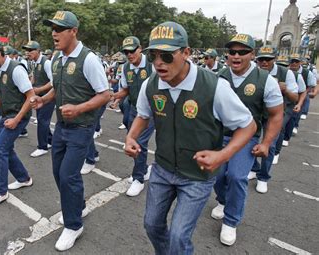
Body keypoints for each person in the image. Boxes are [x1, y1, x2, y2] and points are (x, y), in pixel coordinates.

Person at [126, 22, 256, 254]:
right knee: (152, 225)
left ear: (186, 53)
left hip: (197, 176)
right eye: (153, 55)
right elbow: (143, 116)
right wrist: (131, 137)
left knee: (178, 236)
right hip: (163, 169)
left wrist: (222, 155)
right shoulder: (151, 84)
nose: (158, 63)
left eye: (166, 55)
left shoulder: (214, 87)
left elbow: (248, 126)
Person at [30, 10, 110, 251]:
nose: (54, 33)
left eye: (60, 28)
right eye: (52, 28)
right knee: (58, 173)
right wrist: (43, 100)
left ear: (73, 31)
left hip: (81, 127)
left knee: (68, 175)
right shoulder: (56, 59)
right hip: (62, 126)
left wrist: (78, 109)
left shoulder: (88, 59)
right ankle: (79, 204)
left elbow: (105, 95)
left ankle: (74, 225)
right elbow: (56, 88)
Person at [213, 36, 283, 246]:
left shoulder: (265, 80)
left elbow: (276, 114)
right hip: (219, 136)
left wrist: (266, 143)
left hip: (247, 138)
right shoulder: (220, 76)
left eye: (242, 52)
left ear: (252, 54)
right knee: (216, 176)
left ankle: (231, 220)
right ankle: (223, 200)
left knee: (236, 176)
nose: (236, 56)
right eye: (232, 52)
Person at [0, 38, 35, 209]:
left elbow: (31, 97)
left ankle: (0, 191)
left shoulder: (15, 70)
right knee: (6, 149)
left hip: (18, 116)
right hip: (7, 115)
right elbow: (1, 96)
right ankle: (24, 178)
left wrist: (17, 119)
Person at [248, 46, 298, 193]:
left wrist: (286, 90)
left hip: (274, 114)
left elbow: (295, 97)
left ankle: (263, 178)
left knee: (269, 145)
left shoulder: (286, 73)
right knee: (248, 142)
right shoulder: (252, 71)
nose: (264, 62)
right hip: (256, 113)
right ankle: (253, 168)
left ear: (274, 59)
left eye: (268, 59)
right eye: (261, 59)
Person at [111, 36, 155, 196]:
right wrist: (114, 96)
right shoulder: (125, 68)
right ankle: (143, 170)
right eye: (126, 52)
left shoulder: (152, 65)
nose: (129, 54)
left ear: (140, 48)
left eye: (132, 50)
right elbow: (126, 90)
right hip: (135, 109)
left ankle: (138, 179)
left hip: (152, 111)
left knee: (139, 142)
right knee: (132, 141)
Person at [22, 40, 55, 158]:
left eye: (30, 50)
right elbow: (34, 78)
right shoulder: (34, 63)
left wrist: (39, 90)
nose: (28, 53)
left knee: (42, 120)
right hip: (38, 96)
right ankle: (51, 141)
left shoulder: (46, 63)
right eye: (27, 50)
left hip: (48, 96)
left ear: (38, 51)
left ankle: (42, 147)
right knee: (42, 120)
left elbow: (53, 82)